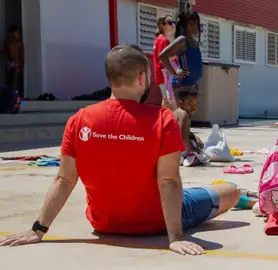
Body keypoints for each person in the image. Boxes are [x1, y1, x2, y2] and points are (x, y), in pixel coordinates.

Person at [0, 45, 240, 256]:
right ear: (142, 78)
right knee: (230, 191)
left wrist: (38, 230)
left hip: (104, 225)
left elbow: (64, 179)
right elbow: (168, 181)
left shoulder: (79, 120)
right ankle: (243, 198)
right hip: (156, 222)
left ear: (110, 78)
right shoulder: (163, 119)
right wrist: (175, 237)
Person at [160, 10, 203, 103]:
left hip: (192, 84)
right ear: (189, 24)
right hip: (182, 84)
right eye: (197, 23)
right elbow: (162, 56)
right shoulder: (182, 40)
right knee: (182, 114)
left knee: (188, 114)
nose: (199, 26)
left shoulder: (194, 42)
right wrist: (175, 72)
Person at [174, 86, 207, 166]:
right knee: (196, 145)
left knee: (195, 139)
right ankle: (191, 157)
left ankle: (180, 157)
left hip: (172, 148)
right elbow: (183, 137)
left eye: (196, 103)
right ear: (181, 104)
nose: (194, 106)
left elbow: (182, 131)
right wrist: (192, 148)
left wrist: (194, 136)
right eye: (190, 103)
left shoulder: (179, 112)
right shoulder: (184, 114)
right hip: (177, 147)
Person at [153, 15, 177, 110]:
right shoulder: (163, 41)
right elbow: (164, 60)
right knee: (169, 100)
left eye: (173, 22)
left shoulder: (159, 40)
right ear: (163, 26)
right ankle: (173, 120)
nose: (173, 25)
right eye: (170, 23)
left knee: (166, 100)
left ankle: (163, 120)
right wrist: (178, 54)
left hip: (161, 75)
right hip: (165, 75)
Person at [2, 25, 24, 95]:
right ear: (11, 33)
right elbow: (4, 51)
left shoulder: (20, 43)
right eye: (16, 32)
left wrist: (22, 65)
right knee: (8, 81)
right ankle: (8, 97)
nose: (18, 34)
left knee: (15, 83)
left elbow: (22, 55)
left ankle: (15, 97)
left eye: (18, 33)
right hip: (9, 63)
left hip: (17, 64)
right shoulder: (6, 42)